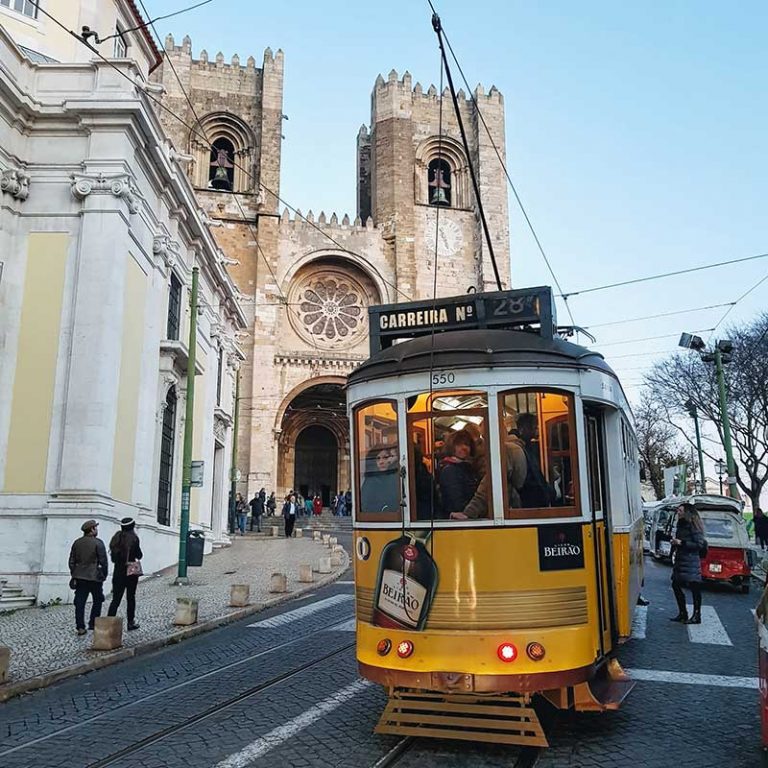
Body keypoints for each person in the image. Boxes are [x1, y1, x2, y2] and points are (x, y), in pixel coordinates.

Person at [68, 520, 108, 636]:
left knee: (80, 602)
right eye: (95, 528)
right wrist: (103, 575)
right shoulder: (98, 543)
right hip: (95, 577)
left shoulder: (77, 543)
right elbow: (103, 561)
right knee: (98, 600)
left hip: (80, 577)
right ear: (91, 529)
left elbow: (71, 561)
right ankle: (93, 622)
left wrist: (74, 573)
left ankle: (80, 626)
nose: (97, 529)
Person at [669, 503, 707, 624]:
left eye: (680, 510)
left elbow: (699, 544)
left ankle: (696, 615)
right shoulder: (681, 524)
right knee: (676, 585)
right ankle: (683, 613)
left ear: (687, 512)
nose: (678, 512)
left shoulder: (693, 525)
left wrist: (681, 543)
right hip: (681, 560)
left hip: (691, 561)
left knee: (695, 587)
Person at [107, 517, 143, 631]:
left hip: (118, 571)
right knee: (130, 597)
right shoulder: (134, 539)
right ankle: (130, 622)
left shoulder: (116, 538)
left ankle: (109, 622)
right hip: (131, 571)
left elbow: (113, 558)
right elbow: (139, 555)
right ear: (132, 527)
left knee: (116, 599)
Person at [511, 413, 553, 508]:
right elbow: (531, 476)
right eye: (534, 427)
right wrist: (547, 493)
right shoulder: (519, 448)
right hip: (530, 502)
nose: (537, 430)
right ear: (523, 429)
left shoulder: (529, 446)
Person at [440, 430, 480, 519]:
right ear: (452, 447)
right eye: (459, 444)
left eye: (467, 444)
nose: (464, 448)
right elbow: (457, 503)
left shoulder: (468, 468)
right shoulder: (449, 471)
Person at [361, 446, 399, 514]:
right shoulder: (370, 482)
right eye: (378, 459)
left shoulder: (396, 479)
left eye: (385, 457)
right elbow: (365, 506)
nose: (381, 462)